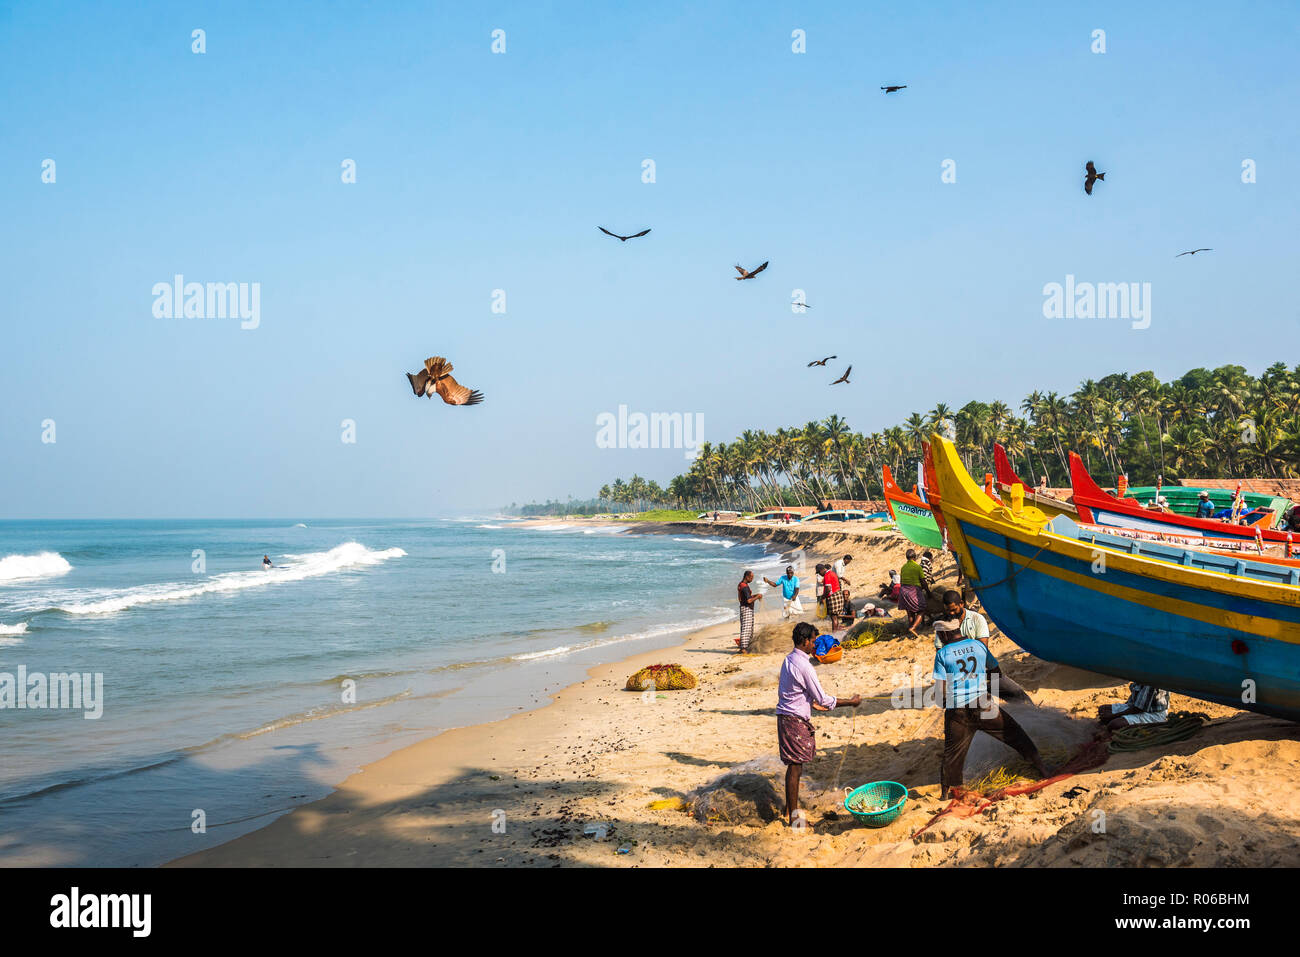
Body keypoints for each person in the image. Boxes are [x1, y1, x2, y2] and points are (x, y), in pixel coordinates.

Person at [933, 622, 1047, 800]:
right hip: (983, 705)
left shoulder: (942, 654)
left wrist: (943, 701)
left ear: (945, 635)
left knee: (952, 753)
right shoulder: (978, 645)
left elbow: (941, 691)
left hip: (958, 711)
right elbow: (995, 670)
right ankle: (1042, 768)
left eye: (939, 636)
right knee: (1014, 733)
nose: (939, 639)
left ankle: (944, 794)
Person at [777, 621, 862, 826]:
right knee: (796, 767)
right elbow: (823, 699)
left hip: (785, 716)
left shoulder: (788, 659)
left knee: (794, 766)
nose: (814, 645)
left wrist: (810, 702)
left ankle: (790, 810)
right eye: (813, 641)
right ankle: (794, 818)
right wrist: (850, 702)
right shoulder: (805, 666)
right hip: (794, 719)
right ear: (805, 641)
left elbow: (796, 691)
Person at [1098, 682, 1170, 732]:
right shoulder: (1140, 675)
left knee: (1114, 724)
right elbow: (1133, 701)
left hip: (1153, 714)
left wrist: (1113, 716)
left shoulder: (1150, 681)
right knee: (1102, 709)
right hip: (1136, 707)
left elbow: (1138, 709)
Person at [899, 549, 926, 635]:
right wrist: (928, 591)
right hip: (913, 590)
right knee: (922, 609)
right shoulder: (917, 567)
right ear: (915, 557)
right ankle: (913, 627)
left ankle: (910, 629)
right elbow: (923, 581)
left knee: (910, 612)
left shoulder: (903, 567)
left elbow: (901, 581)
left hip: (903, 591)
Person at [736, 570, 762, 653]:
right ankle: (743, 648)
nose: (752, 579)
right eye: (751, 577)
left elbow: (747, 597)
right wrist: (757, 597)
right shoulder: (744, 587)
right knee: (746, 629)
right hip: (746, 609)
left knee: (748, 628)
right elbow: (749, 601)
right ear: (747, 577)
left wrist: (756, 595)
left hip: (745, 608)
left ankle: (745, 646)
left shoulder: (742, 585)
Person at [823, 561, 848, 628]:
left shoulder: (827, 575)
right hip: (838, 595)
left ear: (823, 570)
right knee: (836, 617)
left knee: (834, 618)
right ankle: (836, 632)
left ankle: (834, 633)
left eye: (819, 572)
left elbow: (828, 589)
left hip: (833, 597)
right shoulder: (833, 573)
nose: (820, 574)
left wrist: (823, 597)